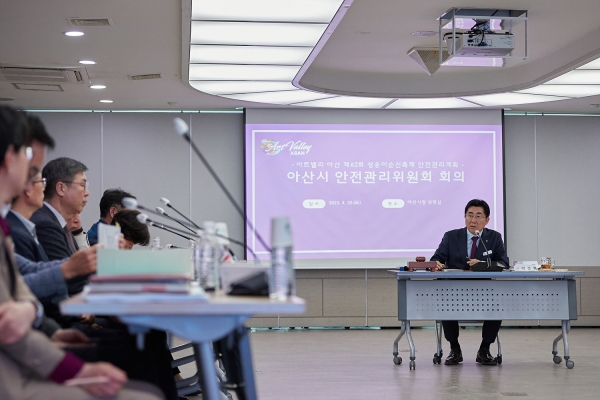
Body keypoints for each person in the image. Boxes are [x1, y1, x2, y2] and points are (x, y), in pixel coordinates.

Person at [0, 104, 164, 400]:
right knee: (143, 372)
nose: (38, 181)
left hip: (36, 348)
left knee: (145, 364)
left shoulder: (16, 227)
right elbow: (14, 318)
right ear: (10, 158)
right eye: (33, 169)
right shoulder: (40, 224)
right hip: (18, 372)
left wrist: (41, 319)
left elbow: (23, 285)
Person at [430, 199, 509, 366]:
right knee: (445, 304)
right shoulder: (451, 236)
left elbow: (504, 263)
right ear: (464, 217)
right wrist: (436, 264)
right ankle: (455, 349)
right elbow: (436, 258)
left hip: (484, 291)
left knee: (497, 306)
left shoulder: (494, 237)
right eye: (470, 215)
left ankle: (484, 349)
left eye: (478, 216)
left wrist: (482, 264)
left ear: (487, 220)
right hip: (454, 291)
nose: (473, 220)